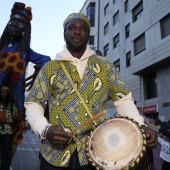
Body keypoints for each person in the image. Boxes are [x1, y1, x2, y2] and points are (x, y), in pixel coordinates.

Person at [25, 13, 157, 170]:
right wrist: (44, 129)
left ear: (88, 34)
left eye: (83, 28)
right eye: (72, 28)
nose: (77, 31)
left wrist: (140, 125)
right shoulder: (50, 68)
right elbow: (33, 102)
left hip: (96, 154)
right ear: (64, 33)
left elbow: (123, 99)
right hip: (54, 156)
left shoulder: (105, 65)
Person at [0, 1, 51, 165]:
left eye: (20, 22)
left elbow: (46, 60)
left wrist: (38, 70)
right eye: (12, 20)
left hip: (12, 109)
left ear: (25, 29)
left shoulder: (25, 52)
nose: (15, 24)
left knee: (6, 153)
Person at [0, 86, 20, 170]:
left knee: (6, 153)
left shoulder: (11, 104)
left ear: (8, 94)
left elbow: (17, 116)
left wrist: (16, 116)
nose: (3, 93)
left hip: (8, 131)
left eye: (5, 92)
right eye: (2, 92)